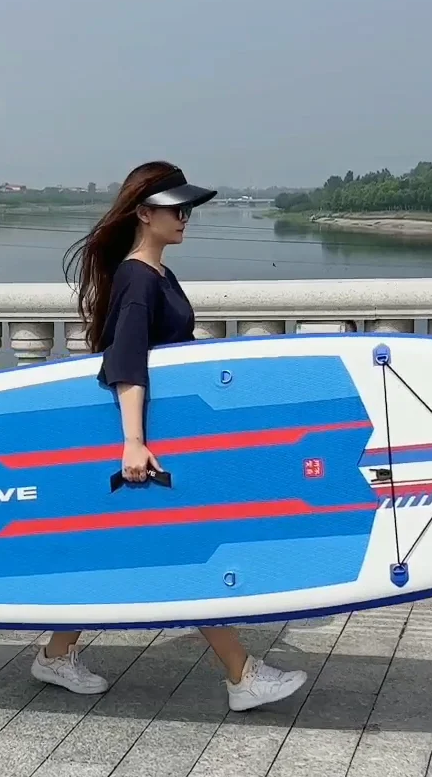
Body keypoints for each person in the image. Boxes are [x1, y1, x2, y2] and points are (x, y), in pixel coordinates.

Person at [36, 161, 308, 712]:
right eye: (175, 209)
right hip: (147, 440)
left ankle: (56, 654)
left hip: (163, 434)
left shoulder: (158, 274)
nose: (185, 218)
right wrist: (133, 442)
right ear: (143, 213)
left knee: (120, 547)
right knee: (182, 548)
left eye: (187, 209)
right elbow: (126, 363)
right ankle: (242, 675)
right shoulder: (138, 278)